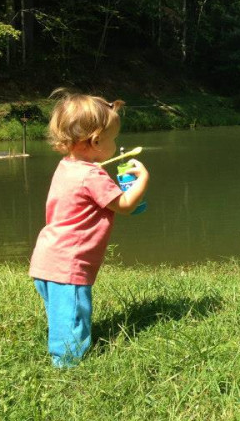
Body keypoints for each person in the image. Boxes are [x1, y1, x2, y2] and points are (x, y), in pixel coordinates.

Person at [29, 90, 150, 367]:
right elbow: (126, 204)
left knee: (62, 315)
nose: (115, 144)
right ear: (96, 140)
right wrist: (143, 179)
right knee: (71, 320)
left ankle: (65, 353)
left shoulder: (67, 167)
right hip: (69, 263)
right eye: (113, 139)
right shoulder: (91, 175)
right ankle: (68, 368)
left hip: (49, 257)